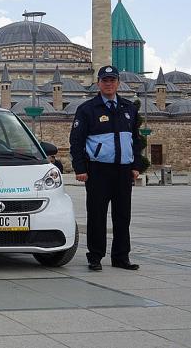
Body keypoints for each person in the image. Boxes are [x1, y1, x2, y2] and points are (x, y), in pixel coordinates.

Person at [69, 65, 142, 272]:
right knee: (97, 215)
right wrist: (80, 168)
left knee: (122, 216)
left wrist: (136, 165)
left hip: (123, 170)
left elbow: (136, 140)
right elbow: (76, 141)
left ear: (118, 83)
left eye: (112, 80)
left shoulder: (129, 109)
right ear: (98, 83)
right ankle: (95, 256)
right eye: (105, 80)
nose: (108, 84)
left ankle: (121, 257)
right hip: (98, 170)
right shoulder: (87, 109)